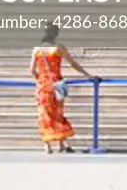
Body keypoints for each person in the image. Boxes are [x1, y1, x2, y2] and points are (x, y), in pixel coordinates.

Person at [30, 21, 98, 154]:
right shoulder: (59, 48)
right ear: (56, 34)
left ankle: (47, 146)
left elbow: (31, 70)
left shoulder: (37, 49)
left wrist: (40, 79)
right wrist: (88, 75)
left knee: (44, 114)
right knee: (58, 113)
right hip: (57, 83)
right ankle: (61, 143)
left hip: (43, 84)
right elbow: (73, 64)